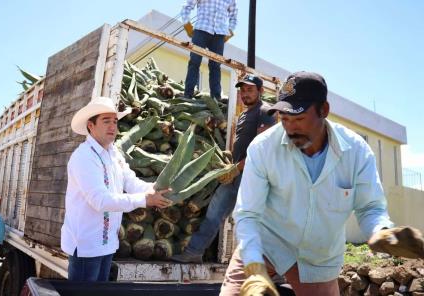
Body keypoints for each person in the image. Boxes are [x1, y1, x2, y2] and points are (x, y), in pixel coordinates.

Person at [227, 71, 424, 296]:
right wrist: (253, 268)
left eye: (299, 118)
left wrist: (382, 232)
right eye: (285, 118)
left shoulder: (356, 152)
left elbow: (370, 207)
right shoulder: (263, 148)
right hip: (265, 246)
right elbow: (248, 214)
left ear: (324, 110)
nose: (290, 128)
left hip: (317, 259)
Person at [61, 96, 171, 282]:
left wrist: (154, 189)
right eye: (106, 121)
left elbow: (130, 182)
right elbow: (100, 201)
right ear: (91, 125)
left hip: (107, 244)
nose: (113, 126)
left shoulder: (114, 154)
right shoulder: (84, 157)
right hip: (87, 247)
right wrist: (144, 200)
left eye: (114, 121)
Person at [171, 75, 276, 264]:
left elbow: (263, 148)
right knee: (214, 213)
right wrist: (230, 159)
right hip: (236, 174)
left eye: (250, 90)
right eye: (242, 90)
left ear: (260, 91)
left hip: (254, 177)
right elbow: (243, 145)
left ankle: (272, 267)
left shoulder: (265, 112)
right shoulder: (244, 114)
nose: (245, 94)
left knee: (257, 222)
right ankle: (195, 251)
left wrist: (237, 168)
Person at [180, 0, 238, 99]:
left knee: (215, 66)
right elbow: (187, 6)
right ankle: (188, 93)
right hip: (201, 30)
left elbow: (234, 16)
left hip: (219, 34)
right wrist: (187, 24)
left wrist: (229, 31)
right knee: (194, 62)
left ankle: (216, 98)